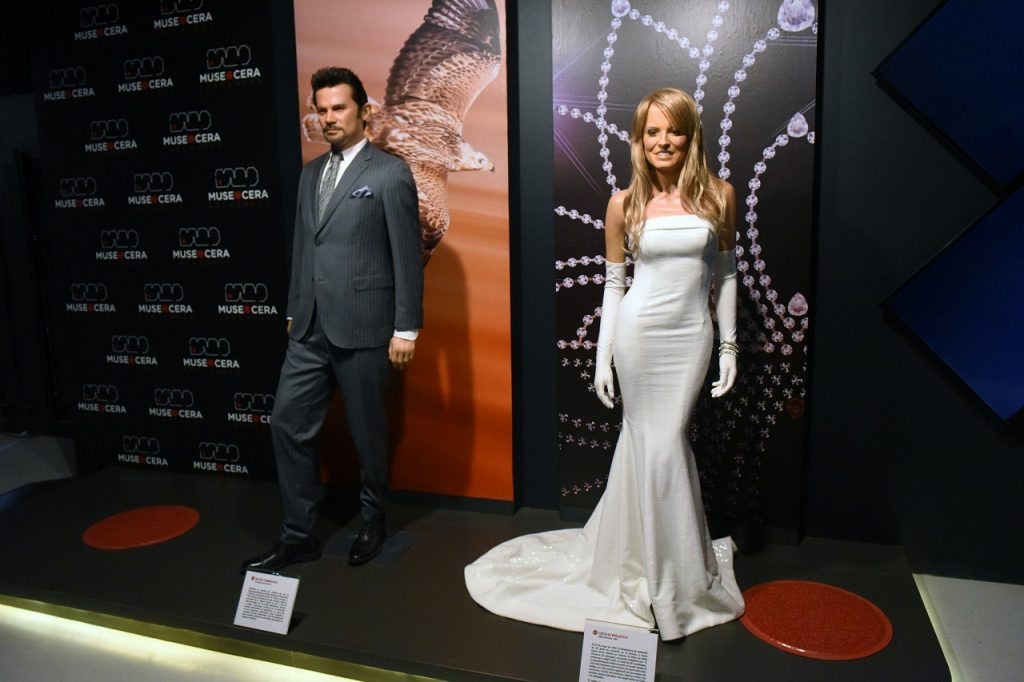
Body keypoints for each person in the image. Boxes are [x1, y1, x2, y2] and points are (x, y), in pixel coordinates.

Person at [464, 88, 743, 640]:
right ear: (638, 141)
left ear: (691, 135)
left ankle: (673, 573)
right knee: (651, 445)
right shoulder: (623, 203)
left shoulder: (720, 195)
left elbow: (728, 275)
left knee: (663, 444)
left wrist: (730, 347)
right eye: (652, 132)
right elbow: (615, 286)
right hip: (639, 337)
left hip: (690, 338)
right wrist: (603, 356)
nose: (663, 141)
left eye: (674, 130)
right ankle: (657, 574)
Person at [242, 67, 423, 573]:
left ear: (363, 111)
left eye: (338, 108)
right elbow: (306, 246)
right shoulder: (309, 175)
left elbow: (407, 257)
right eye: (321, 110)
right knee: (287, 422)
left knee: (368, 435)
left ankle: (373, 520)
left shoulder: (390, 173)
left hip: (365, 325)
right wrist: (294, 309)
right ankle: (298, 535)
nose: (328, 118)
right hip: (309, 327)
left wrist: (406, 328)